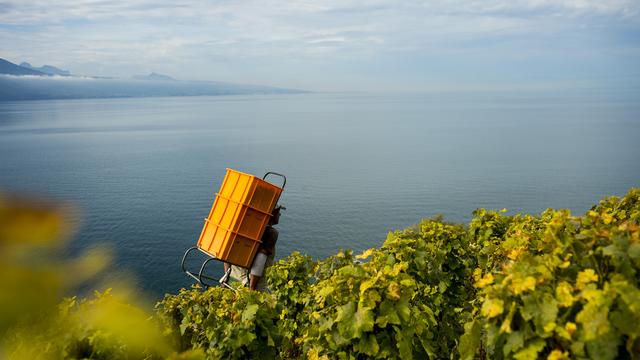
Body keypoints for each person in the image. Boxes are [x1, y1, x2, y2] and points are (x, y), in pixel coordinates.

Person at [220, 205, 284, 291]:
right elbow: (260, 260)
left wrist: (226, 275)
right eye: (278, 211)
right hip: (250, 284)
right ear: (271, 213)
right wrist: (252, 288)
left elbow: (227, 254)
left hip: (232, 279)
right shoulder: (271, 233)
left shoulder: (242, 227)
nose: (280, 214)